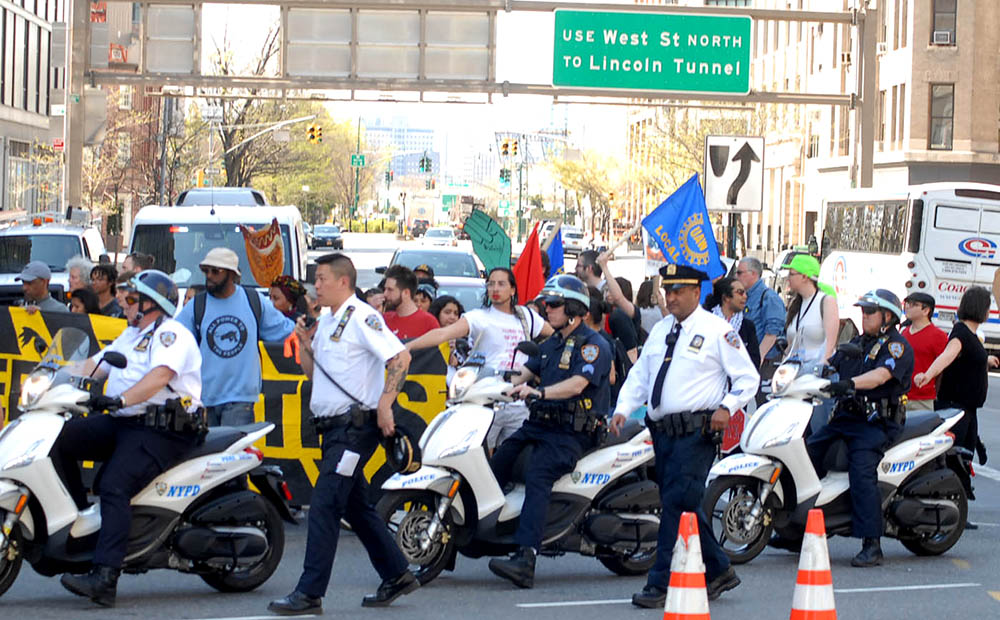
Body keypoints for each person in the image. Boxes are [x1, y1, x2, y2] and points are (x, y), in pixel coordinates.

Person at [268, 253, 419, 616]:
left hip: (355, 430)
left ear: (342, 282)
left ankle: (309, 592)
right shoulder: (330, 319)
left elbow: (400, 358)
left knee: (324, 505)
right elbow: (313, 375)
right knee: (356, 506)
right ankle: (397, 573)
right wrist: (305, 343)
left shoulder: (362, 316)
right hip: (332, 429)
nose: (315, 286)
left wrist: (385, 404)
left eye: (320, 279)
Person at [610, 264, 759, 608]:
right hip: (662, 433)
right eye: (668, 290)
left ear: (696, 292)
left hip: (697, 433)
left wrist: (727, 407)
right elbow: (640, 377)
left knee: (676, 503)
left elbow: (747, 379)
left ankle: (660, 582)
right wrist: (623, 408)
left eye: (678, 291)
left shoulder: (717, 331)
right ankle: (720, 570)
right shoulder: (662, 330)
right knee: (686, 504)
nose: (671, 297)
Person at [55, 270, 203, 607]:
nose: (124, 302)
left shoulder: (171, 335)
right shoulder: (131, 335)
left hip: (162, 430)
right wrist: (54, 376)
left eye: (132, 298)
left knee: (114, 485)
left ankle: (105, 578)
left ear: (152, 304)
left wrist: (121, 399)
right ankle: (78, 522)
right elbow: (94, 365)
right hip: (126, 422)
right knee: (62, 438)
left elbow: (159, 377)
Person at [488, 274, 612, 588]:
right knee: (499, 461)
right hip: (539, 425)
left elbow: (578, 384)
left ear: (572, 309)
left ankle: (526, 557)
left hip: (571, 432)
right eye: (546, 304)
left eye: (554, 304)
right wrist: (486, 382)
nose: (547, 309)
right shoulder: (551, 344)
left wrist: (540, 393)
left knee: (538, 475)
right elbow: (521, 375)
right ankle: (488, 531)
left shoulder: (593, 346)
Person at [803, 289, 914, 567]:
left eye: (869, 312)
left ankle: (872, 543)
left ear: (888, 316)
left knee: (861, 471)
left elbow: (880, 376)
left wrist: (850, 384)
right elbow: (830, 364)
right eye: (862, 311)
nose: (863, 317)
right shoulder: (857, 342)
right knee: (808, 455)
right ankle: (797, 530)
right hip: (846, 418)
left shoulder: (896, 346)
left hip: (875, 424)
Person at [406, 268, 551, 448]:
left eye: (501, 284)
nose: (495, 289)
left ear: (513, 289)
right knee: (482, 460)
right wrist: (408, 347)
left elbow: (556, 338)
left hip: (518, 404)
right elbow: (442, 334)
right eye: (491, 284)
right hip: (486, 405)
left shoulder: (526, 316)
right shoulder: (478, 318)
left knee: (515, 463)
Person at [176, 248, 294, 427]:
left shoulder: (254, 300)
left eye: (215, 271)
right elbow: (175, 340)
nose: (209, 275)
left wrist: (314, 329)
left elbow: (287, 331)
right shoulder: (196, 305)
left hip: (241, 399)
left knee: (234, 453)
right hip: (204, 398)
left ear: (232, 274)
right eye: (206, 270)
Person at [914, 286, 999, 457]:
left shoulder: (971, 335)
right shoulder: (961, 333)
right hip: (955, 408)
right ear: (980, 308)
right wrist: (928, 375)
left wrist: (986, 360)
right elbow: (947, 356)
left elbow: (968, 356)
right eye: (987, 308)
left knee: (964, 457)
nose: (989, 312)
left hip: (967, 409)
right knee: (955, 459)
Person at [783, 255, 839, 367]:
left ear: (804, 277)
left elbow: (830, 345)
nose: (788, 278)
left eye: (792, 274)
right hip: (793, 372)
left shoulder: (826, 301)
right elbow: (791, 346)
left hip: (816, 374)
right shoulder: (795, 304)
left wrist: (821, 366)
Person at [900, 292, 948, 411]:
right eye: (907, 303)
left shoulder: (938, 336)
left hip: (922, 399)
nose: (908, 307)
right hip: (900, 396)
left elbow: (943, 368)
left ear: (926, 310)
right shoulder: (903, 332)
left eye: (914, 304)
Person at [737, 257, 785, 370]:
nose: (736, 276)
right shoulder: (745, 297)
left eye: (739, 273)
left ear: (753, 274)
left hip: (765, 364)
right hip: (747, 361)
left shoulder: (769, 298)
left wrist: (758, 359)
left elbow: (772, 332)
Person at [706, 276, 761, 369]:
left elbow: (754, 361)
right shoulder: (706, 321)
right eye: (740, 293)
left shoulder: (747, 326)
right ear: (726, 297)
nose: (745, 296)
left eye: (745, 292)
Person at [382, 265, 439, 340]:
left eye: (390, 290)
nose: (385, 294)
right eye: (385, 289)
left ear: (406, 293)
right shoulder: (383, 319)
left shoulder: (429, 322)